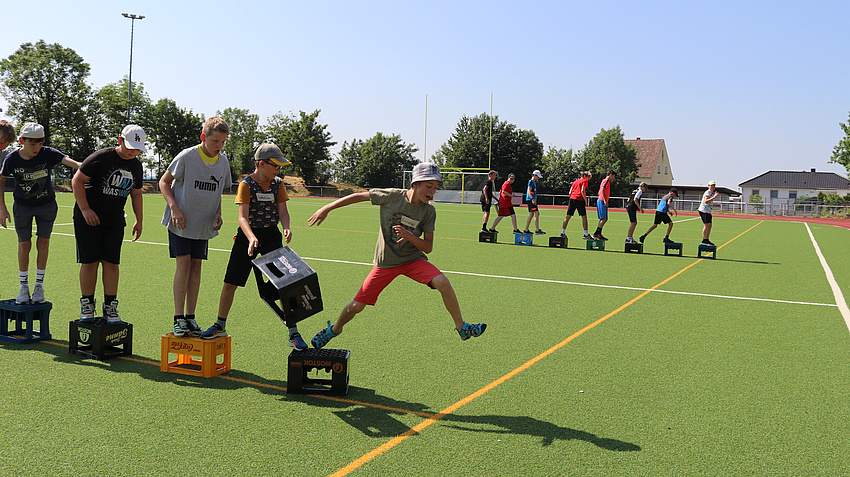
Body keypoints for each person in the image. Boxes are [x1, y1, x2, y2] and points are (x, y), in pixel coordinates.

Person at [307, 162, 486, 348]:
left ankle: (461, 328)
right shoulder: (392, 196)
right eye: (429, 186)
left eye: (436, 187)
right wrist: (327, 208)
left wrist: (410, 237)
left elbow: (428, 247)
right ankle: (334, 330)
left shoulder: (428, 211)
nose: (433, 191)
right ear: (415, 184)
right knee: (357, 306)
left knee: (442, 282)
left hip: (412, 260)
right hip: (386, 264)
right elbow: (359, 196)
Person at [199, 144, 309, 350]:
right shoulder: (246, 185)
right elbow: (242, 217)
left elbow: (283, 212)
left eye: (280, 166)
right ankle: (219, 325)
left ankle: (293, 332)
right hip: (247, 236)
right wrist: (251, 238)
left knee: (284, 283)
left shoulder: (278, 184)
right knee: (231, 282)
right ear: (261, 164)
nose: (278, 170)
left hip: (271, 237)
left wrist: (286, 227)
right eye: (275, 165)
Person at [159, 117, 232, 337]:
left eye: (223, 142)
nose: (219, 146)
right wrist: (174, 208)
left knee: (196, 267)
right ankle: (178, 318)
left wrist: (218, 213)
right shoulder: (187, 156)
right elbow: (163, 182)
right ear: (203, 137)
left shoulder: (223, 162)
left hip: (202, 225)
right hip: (180, 223)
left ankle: (190, 317)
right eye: (215, 141)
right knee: (183, 265)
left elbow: (218, 191)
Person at [0, 122, 80, 304]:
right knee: (24, 244)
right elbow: (1, 180)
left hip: (46, 205)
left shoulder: (48, 153)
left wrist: (88, 166)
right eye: (32, 144)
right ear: (22, 141)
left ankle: (39, 285)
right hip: (22, 207)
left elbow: (73, 163)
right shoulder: (12, 159)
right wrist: (2, 207)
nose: (36, 148)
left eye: (40, 143)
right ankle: (23, 286)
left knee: (43, 242)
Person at [72, 125, 145, 323]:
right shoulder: (100, 157)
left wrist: (139, 219)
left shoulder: (136, 166)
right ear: (120, 141)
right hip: (89, 218)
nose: (133, 152)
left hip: (114, 219)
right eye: (130, 147)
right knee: (90, 262)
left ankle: (110, 306)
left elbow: (136, 193)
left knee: (112, 263)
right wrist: (85, 209)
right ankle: (87, 305)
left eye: (138, 149)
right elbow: (77, 181)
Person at [561, 171, 592, 240]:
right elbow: (582, 191)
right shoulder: (584, 181)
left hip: (572, 199)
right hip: (579, 199)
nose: (589, 179)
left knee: (568, 216)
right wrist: (586, 201)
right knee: (584, 216)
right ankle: (586, 234)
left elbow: (570, 192)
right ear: (585, 176)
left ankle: (562, 232)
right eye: (588, 177)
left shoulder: (575, 182)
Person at [592, 170, 616, 241]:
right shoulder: (606, 181)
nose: (614, 178)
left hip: (601, 200)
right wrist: (605, 200)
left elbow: (599, 191)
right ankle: (596, 233)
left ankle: (598, 233)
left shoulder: (604, 181)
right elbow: (602, 190)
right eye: (614, 176)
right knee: (604, 218)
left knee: (603, 218)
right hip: (602, 201)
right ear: (610, 175)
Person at [523, 170, 545, 235]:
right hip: (530, 200)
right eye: (538, 177)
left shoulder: (533, 182)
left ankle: (526, 230)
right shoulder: (531, 182)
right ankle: (537, 230)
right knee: (536, 213)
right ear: (534, 175)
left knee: (532, 214)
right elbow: (529, 191)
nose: (538, 178)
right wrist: (532, 199)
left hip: (532, 200)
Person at [698, 181, 719, 246]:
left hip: (707, 211)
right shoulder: (708, 192)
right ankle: (704, 240)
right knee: (707, 225)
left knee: (709, 225)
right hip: (704, 210)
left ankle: (707, 239)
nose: (712, 187)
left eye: (713, 185)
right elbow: (706, 201)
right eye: (711, 185)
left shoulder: (711, 193)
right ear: (708, 186)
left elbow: (709, 203)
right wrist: (714, 197)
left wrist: (716, 205)